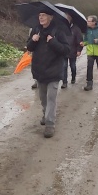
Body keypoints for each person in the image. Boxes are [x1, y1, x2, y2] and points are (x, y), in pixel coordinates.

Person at [27, 7, 70, 138]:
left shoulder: (59, 31)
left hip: (54, 70)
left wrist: (53, 41)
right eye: (40, 15)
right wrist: (33, 40)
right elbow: (29, 48)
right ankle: (45, 114)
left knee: (51, 98)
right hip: (39, 70)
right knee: (43, 97)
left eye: (44, 15)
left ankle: (50, 124)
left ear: (50, 17)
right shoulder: (36, 29)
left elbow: (66, 50)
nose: (40, 17)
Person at [61, 12, 83, 88]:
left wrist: (79, 50)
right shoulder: (62, 28)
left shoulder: (76, 29)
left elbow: (80, 41)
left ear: (71, 19)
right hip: (64, 51)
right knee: (64, 67)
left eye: (68, 17)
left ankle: (73, 77)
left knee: (73, 66)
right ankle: (64, 82)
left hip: (73, 51)